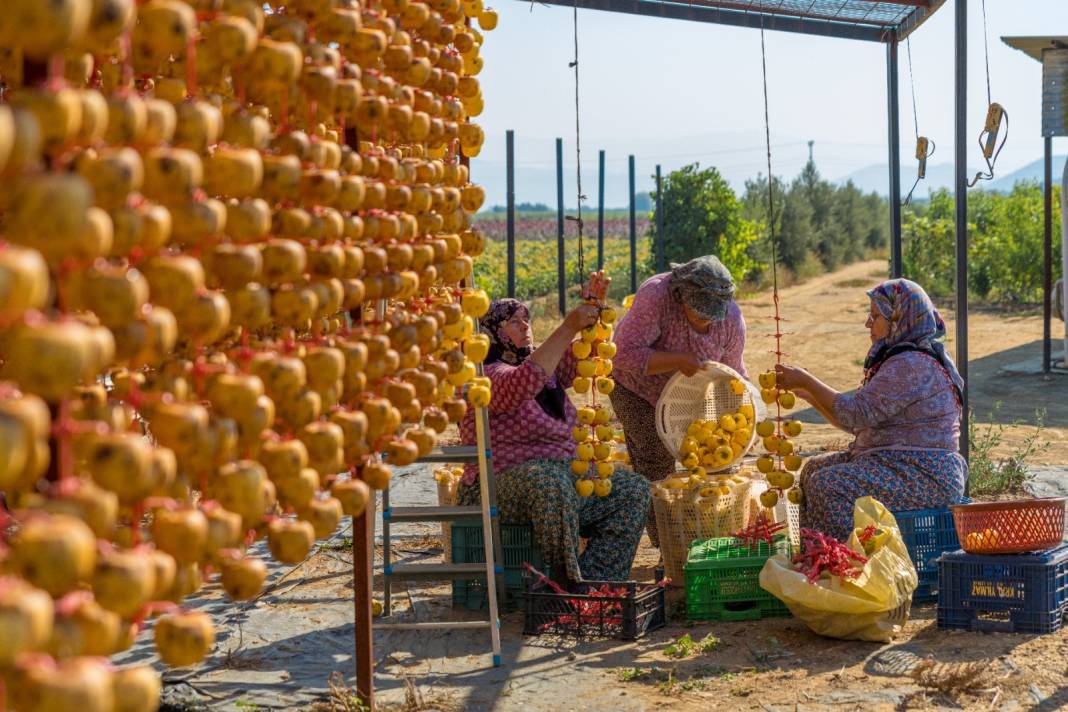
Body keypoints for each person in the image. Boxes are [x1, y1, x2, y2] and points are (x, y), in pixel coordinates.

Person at [457, 298, 651, 586]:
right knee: (549, 482)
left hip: (562, 475)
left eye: (527, 319)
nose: (525, 326)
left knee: (632, 489)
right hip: (501, 484)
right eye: (513, 322)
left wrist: (593, 313)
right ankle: (564, 583)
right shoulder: (482, 376)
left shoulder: (536, 362)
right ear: (491, 332)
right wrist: (569, 325)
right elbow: (520, 383)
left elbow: (577, 358)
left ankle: (597, 585)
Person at [775, 278, 967, 541]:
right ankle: (817, 555)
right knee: (811, 471)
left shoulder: (911, 364)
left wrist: (807, 380)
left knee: (827, 484)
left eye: (875, 316)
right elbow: (855, 423)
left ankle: (847, 563)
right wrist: (810, 395)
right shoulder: (901, 358)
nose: (868, 323)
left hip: (924, 473)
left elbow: (856, 413)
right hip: (896, 462)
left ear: (897, 319)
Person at [608, 255, 748, 544]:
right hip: (636, 389)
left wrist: (745, 417)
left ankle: (714, 537)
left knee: (717, 461)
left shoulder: (731, 319)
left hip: (692, 396)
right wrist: (676, 361)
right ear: (680, 295)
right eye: (699, 312)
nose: (707, 319)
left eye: (713, 313)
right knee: (656, 464)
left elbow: (733, 374)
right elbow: (621, 354)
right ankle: (669, 547)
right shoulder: (656, 297)